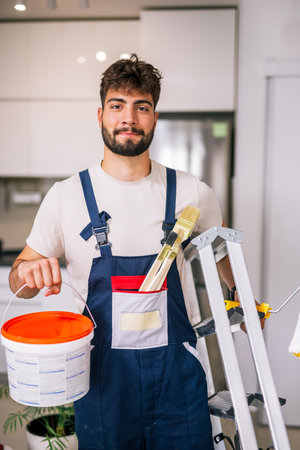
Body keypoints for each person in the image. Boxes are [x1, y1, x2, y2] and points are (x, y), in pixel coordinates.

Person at [9, 54, 242, 450]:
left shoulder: (193, 192)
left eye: (142, 107)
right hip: (102, 379)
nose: (128, 118)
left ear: (154, 117)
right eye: (118, 105)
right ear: (101, 114)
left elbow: (222, 256)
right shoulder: (66, 197)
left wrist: (243, 301)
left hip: (177, 377)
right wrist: (27, 274)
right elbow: (21, 275)